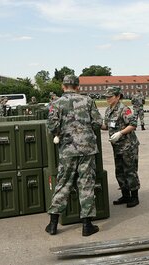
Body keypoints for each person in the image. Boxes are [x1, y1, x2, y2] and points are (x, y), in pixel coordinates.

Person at [45, 75, 103, 237]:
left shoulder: (55, 103)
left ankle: (53, 223)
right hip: (87, 149)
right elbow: (98, 122)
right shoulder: (88, 101)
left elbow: (51, 126)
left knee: (63, 183)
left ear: (63, 86)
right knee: (86, 183)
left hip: (67, 149)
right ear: (78, 87)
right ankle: (87, 225)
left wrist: (60, 132)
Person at [102, 86, 140, 208]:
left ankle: (134, 197)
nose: (108, 99)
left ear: (118, 96)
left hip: (128, 146)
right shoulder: (109, 110)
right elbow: (107, 126)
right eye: (106, 97)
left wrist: (121, 133)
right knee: (119, 172)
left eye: (110, 96)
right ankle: (125, 195)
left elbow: (133, 125)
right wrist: (95, 124)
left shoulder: (124, 109)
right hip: (117, 147)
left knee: (130, 171)